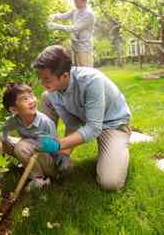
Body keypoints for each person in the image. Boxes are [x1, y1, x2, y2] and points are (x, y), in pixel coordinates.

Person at [33, 45, 131, 191]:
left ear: (65, 75)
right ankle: (48, 153)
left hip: (112, 124)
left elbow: (93, 128)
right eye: (41, 78)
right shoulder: (53, 90)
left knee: (110, 182)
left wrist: (59, 144)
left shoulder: (92, 80)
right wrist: (65, 152)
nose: (42, 83)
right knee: (46, 97)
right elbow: (72, 123)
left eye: (46, 79)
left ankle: (120, 143)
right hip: (86, 119)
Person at [0, 82, 68, 191]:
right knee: (4, 141)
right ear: (14, 110)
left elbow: (55, 148)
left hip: (49, 161)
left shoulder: (45, 122)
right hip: (29, 150)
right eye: (25, 99)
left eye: (32, 96)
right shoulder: (15, 119)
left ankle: (39, 179)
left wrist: (38, 146)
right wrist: (0, 142)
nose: (32, 100)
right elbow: (3, 129)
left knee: (21, 146)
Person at [47, 0, 95, 67]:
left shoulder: (89, 14)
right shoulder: (76, 9)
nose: (75, 3)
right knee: (76, 74)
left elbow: (74, 28)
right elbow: (65, 16)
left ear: (84, 0)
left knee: (85, 74)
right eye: (74, 0)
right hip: (75, 46)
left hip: (84, 49)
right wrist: (54, 16)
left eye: (77, 1)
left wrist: (56, 26)